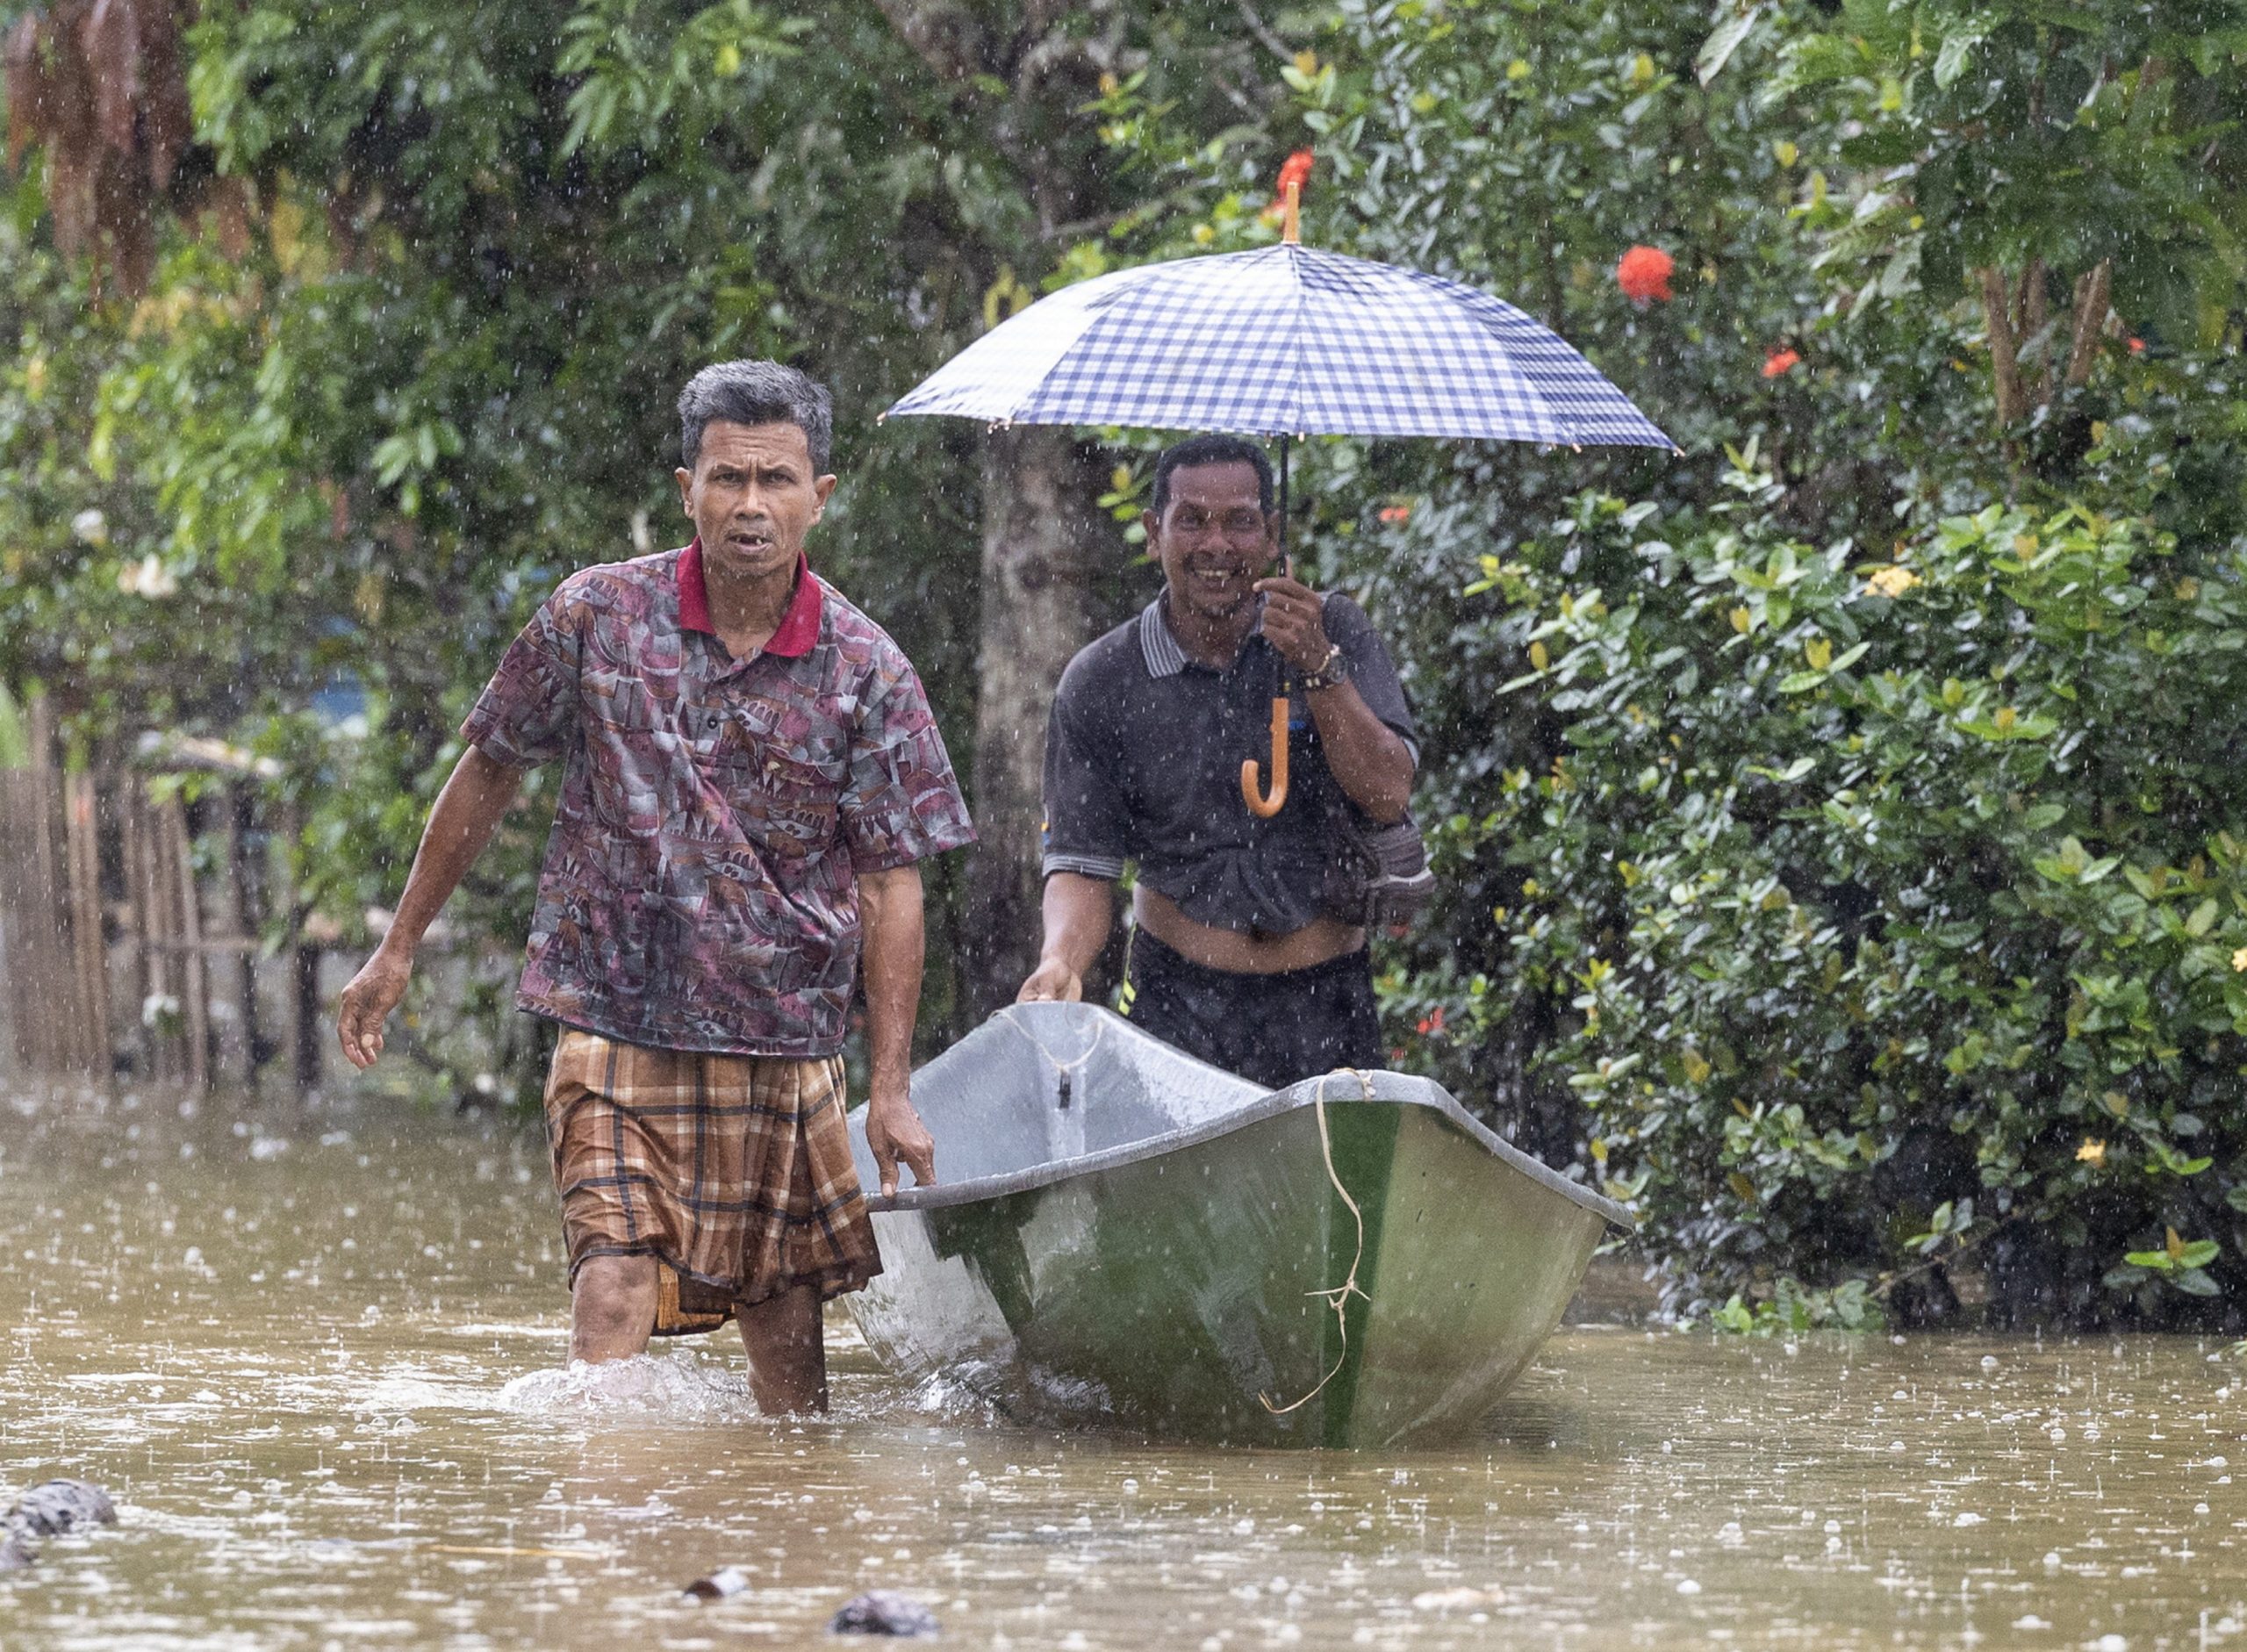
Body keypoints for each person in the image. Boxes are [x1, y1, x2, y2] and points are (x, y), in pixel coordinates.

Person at [334, 361, 974, 1413]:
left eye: (777, 479)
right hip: (613, 1020)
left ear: (823, 494)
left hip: (782, 1039)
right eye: (729, 479)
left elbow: (889, 883)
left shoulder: (867, 668)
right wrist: (399, 945)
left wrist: (893, 1083)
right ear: (688, 489)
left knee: (788, 1361)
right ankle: (604, 1551)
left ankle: (773, 1549)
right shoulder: (597, 616)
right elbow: (490, 766)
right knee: (612, 1283)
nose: (752, 506)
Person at [1018, 434, 1423, 1088]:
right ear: (1154, 533)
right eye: (1192, 521)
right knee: (1176, 1193)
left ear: (1272, 534)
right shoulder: (1101, 681)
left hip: (1328, 1002)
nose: (1216, 545)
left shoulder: (1336, 632)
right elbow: (1082, 864)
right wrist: (1061, 959)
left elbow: (1387, 792)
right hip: (1175, 1004)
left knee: (1332, 1192)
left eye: (1240, 521)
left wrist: (1320, 668)